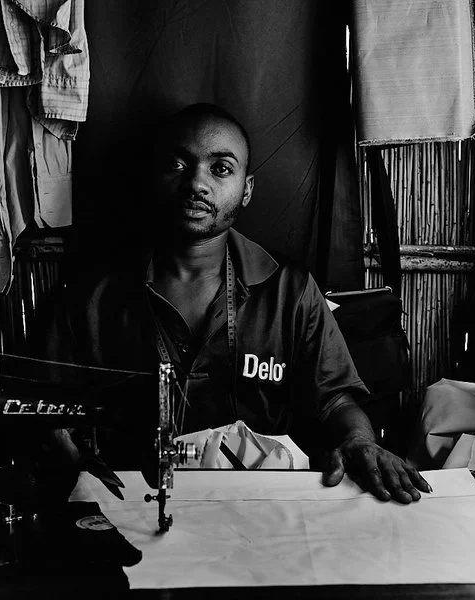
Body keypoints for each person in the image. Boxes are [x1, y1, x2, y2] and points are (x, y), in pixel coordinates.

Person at [40, 102, 431, 504]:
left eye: (221, 168)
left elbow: (334, 400)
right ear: (153, 176)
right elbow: (47, 406)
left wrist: (358, 440)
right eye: (178, 165)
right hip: (129, 503)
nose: (197, 183)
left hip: (260, 506)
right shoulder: (92, 294)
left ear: (246, 190)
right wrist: (55, 437)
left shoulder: (289, 290)